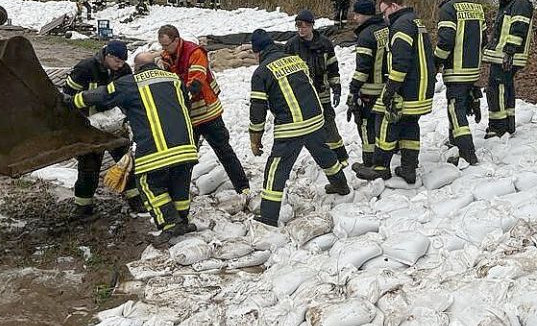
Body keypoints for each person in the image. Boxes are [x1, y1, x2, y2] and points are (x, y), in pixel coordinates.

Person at [71, 51, 199, 238]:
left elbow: (103, 95)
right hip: (187, 146)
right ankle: (182, 221)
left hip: (158, 148)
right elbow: (185, 107)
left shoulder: (132, 82)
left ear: (136, 68)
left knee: (147, 183)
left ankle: (170, 224)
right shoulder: (175, 79)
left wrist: (73, 101)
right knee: (180, 183)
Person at [249, 29, 351, 226]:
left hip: (291, 127)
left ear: (257, 52)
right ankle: (341, 185)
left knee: (276, 169)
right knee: (325, 155)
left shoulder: (261, 72)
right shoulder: (295, 60)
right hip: (315, 118)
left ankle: (268, 216)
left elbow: (257, 109)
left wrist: (255, 138)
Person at [158, 25, 250, 197]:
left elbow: (196, 82)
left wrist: (179, 99)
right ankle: (179, 193)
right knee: (185, 157)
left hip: (208, 112)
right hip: (189, 116)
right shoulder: (166, 56)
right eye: (162, 46)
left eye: (167, 45)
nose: (164, 49)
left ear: (176, 40)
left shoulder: (195, 53)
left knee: (224, 151)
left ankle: (243, 186)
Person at [355, 0, 436, 184]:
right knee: (409, 125)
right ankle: (408, 168)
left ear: (392, 6)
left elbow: (400, 62)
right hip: (422, 88)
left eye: (384, 12)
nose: (384, 17)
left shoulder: (400, 25)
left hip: (407, 88)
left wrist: (390, 89)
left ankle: (380, 168)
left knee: (384, 121)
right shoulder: (416, 21)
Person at [62, 40, 136, 216]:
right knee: (89, 167)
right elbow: (67, 97)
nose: (120, 66)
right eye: (117, 61)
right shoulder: (85, 68)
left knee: (125, 162)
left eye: (123, 62)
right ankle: (83, 205)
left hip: (115, 125)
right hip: (89, 126)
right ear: (108, 56)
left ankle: (136, 198)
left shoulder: (124, 70)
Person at [285, 9, 349, 166]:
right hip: (303, 95)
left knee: (329, 124)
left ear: (312, 26)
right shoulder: (291, 46)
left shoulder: (325, 44)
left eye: (305, 25)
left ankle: (341, 157)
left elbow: (333, 67)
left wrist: (336, 88)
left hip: (322, 93)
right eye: (298, 25)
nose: (301, 28)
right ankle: (323, 158)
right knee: (307, 129)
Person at [434, 0, 484, 166]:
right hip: (473, 67)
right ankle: (454, 140)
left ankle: (467, 152)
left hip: (456, 69)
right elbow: (484, 38)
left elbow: (446, 40)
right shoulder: (476, 8)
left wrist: (436, 62)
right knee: (460, 104)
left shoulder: (447, 9)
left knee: (456, 108)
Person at [483, 0, 534, 138]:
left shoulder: (520, 2)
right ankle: (508, 124)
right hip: (502, 54)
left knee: (497, 89)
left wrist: (509, 51)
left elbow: (518, 28)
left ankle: (498, 127)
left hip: (507, 55)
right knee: (505, 87)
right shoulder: (511, 2)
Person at [347, 0, 389, 170]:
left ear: (364, 14)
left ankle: (369, 161)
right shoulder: (387, 28)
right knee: (384, 124)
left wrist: (353, 89)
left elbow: (362, 69)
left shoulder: (366, 35)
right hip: (387, 87)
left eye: (356, 14)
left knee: (365, 125)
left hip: (370, 90)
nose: (355, 18)